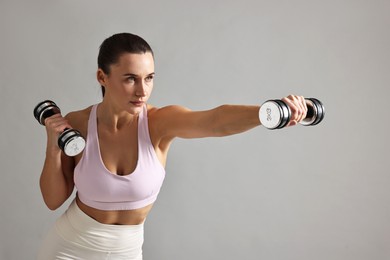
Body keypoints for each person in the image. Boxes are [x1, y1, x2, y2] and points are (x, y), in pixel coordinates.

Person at [37, 32, 308, 259]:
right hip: (67, 249)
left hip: (126, 251)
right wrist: (53, 147)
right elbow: (53, 200)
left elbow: (215, 120)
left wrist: (270, 112)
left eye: (149, 77)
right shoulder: (78, 123)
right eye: (130, 78)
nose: (142, 90)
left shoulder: (158, 123)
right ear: (102, 77)